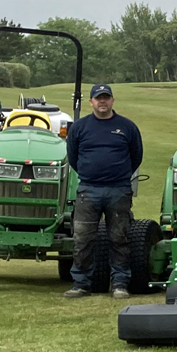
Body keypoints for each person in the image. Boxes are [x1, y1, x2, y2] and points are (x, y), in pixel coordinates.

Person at [64, 83, 144, 299]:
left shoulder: (127, 127)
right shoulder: (80, 128)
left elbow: (136, 156)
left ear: (112, 101)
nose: (102, 101)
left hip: (118, 190)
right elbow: (73, 157)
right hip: (88, 190)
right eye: (98, 98)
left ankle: (120, 283)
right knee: (82, 239)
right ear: (91, 102)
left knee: (120, 238)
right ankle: (81, 283)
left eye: (106, 97)